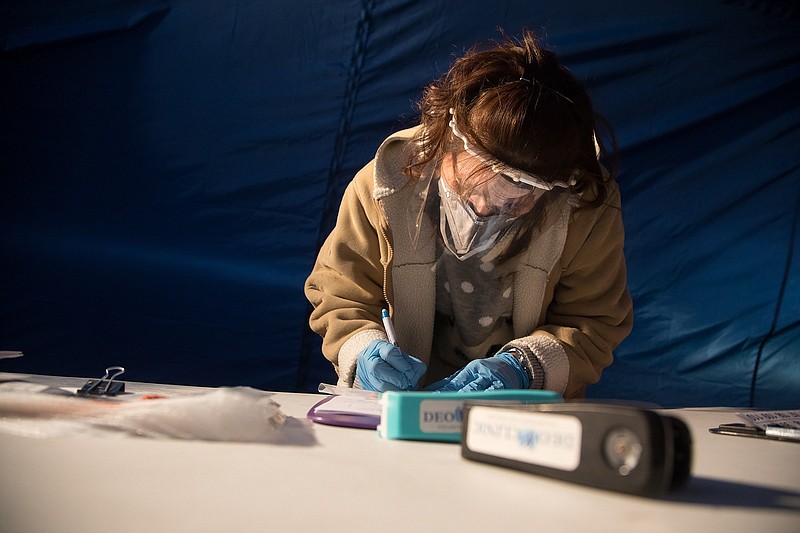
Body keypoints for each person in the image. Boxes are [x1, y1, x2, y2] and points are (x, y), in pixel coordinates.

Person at [304, 30, 633, 398]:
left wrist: (525, 368)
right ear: (446, 139)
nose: (485, 208)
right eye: (472, 187)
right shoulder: (384, 187)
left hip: (520, 414)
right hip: (397, 407)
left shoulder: (584, 209)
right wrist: (362, 348)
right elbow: (340, 293)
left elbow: (594, 320)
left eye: (519, 196)